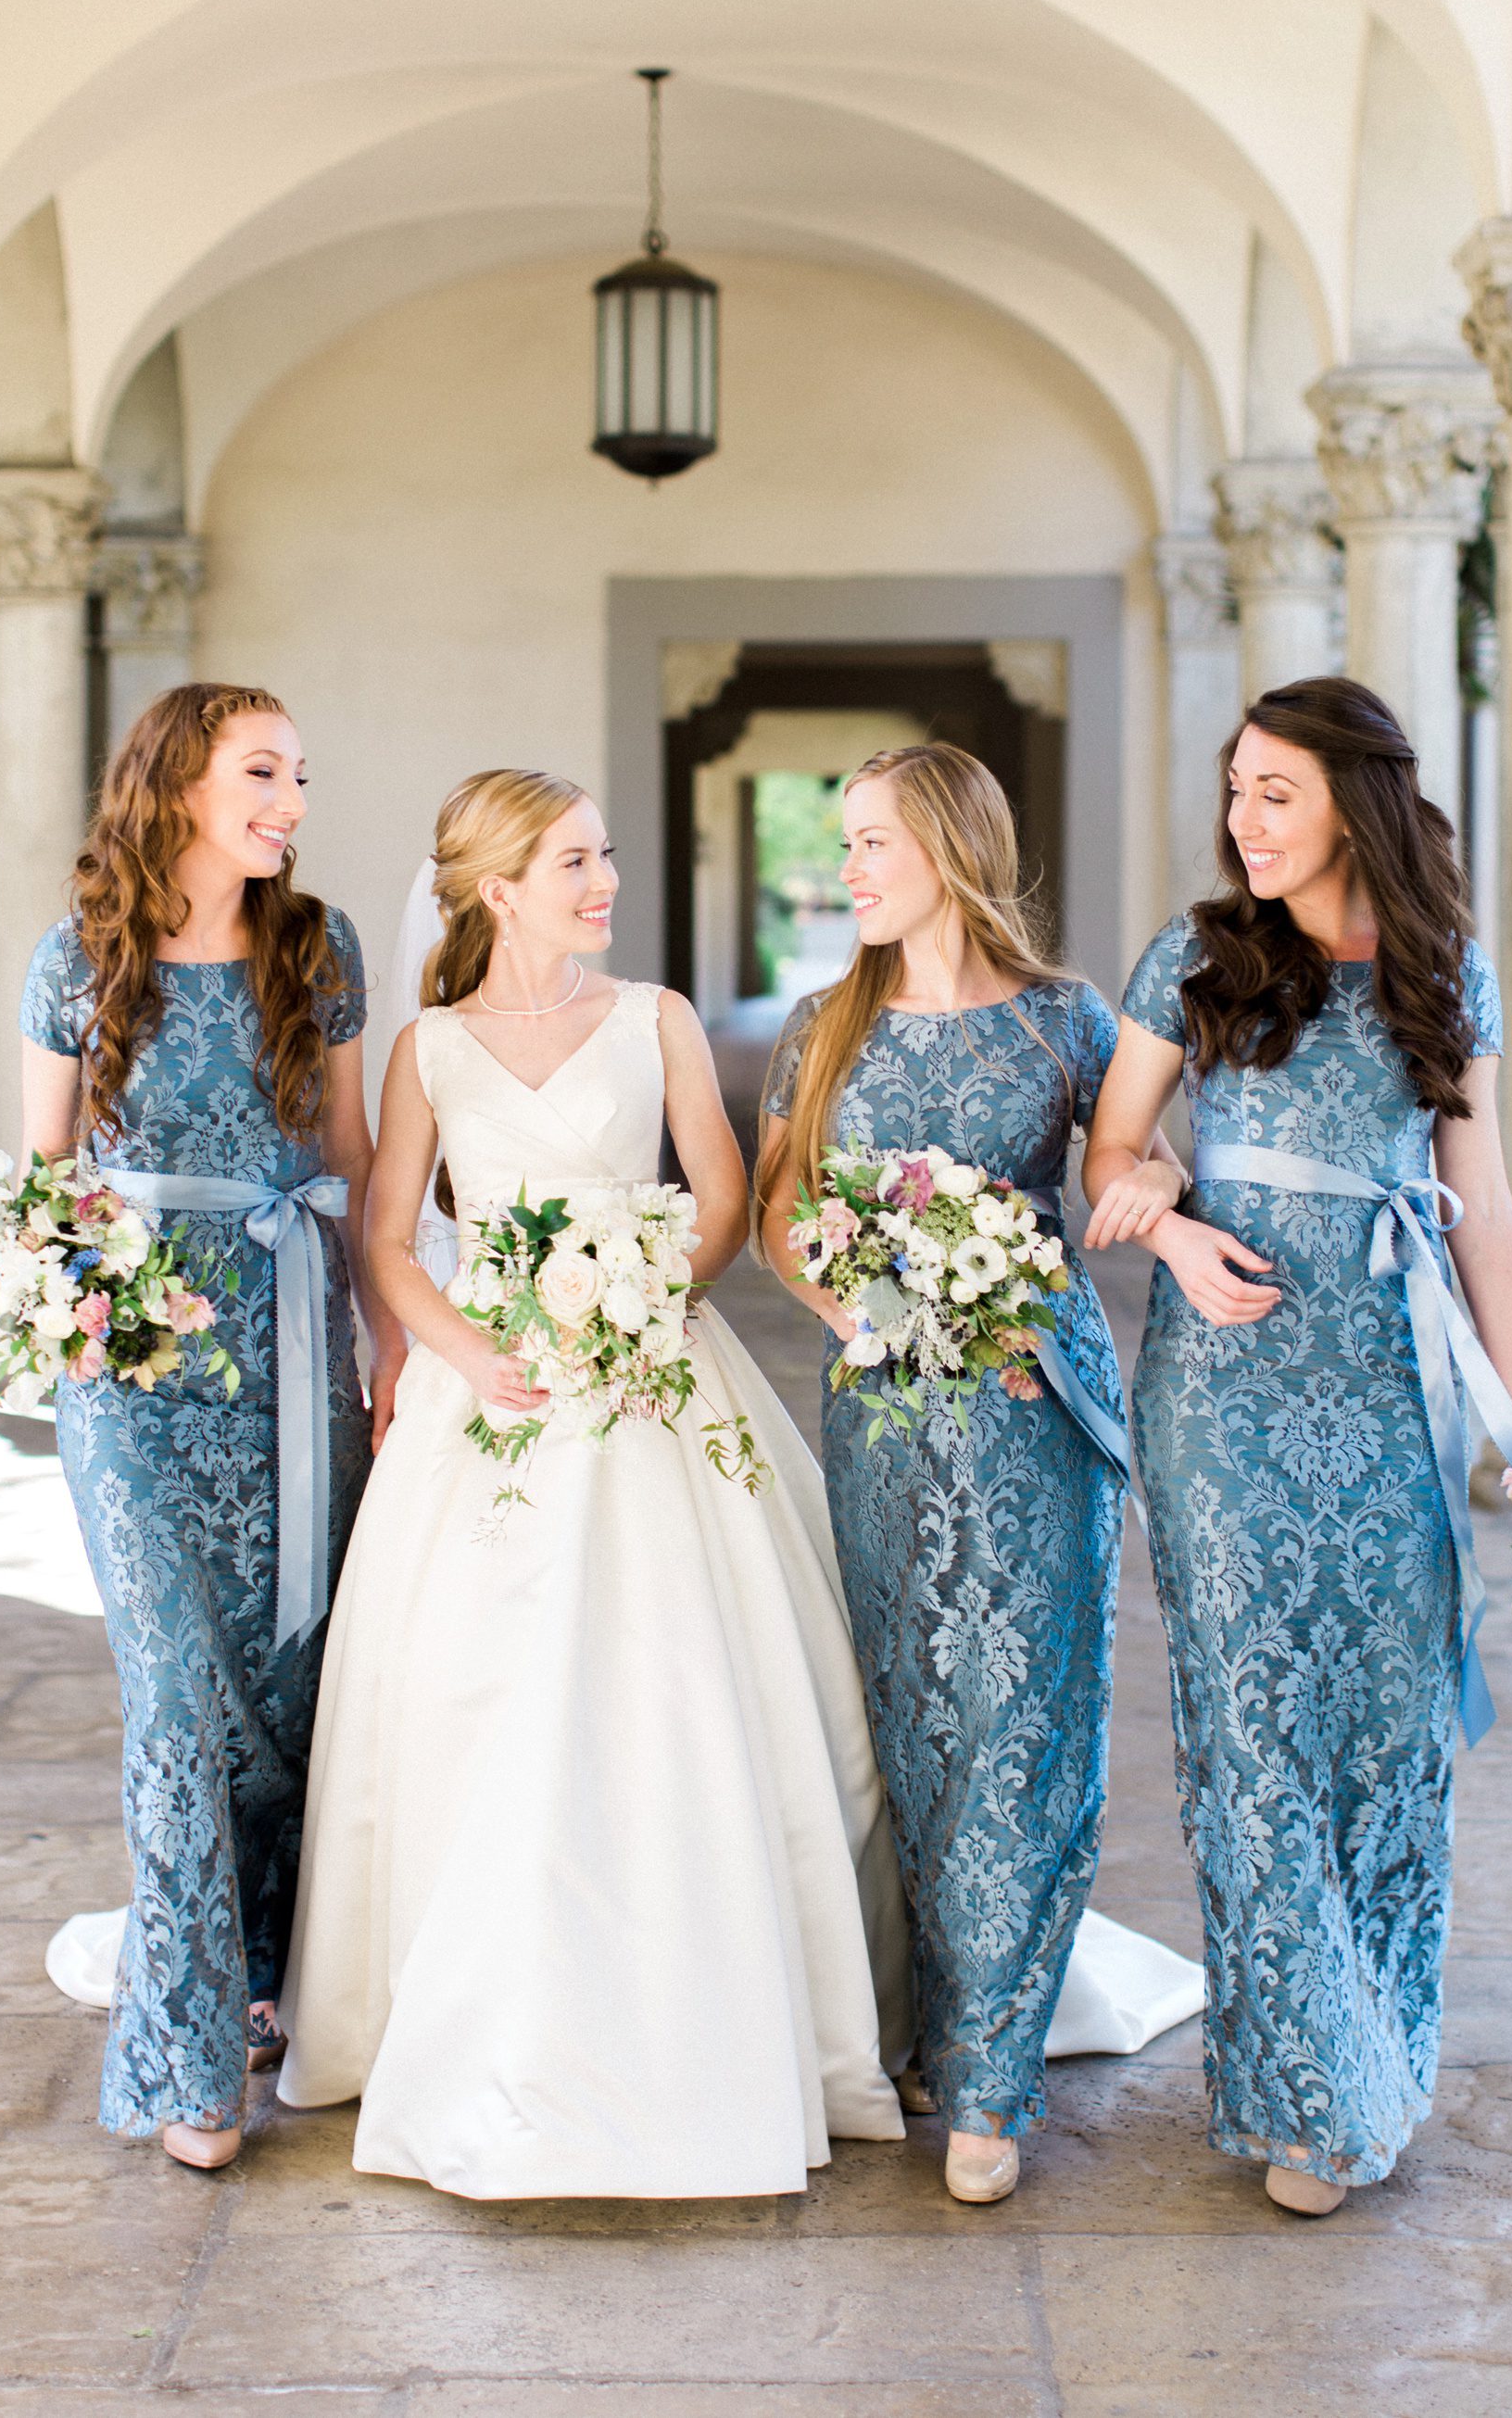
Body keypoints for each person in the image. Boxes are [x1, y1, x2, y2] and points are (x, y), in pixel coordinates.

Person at [278, 768, 910, 2199]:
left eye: (606, 854)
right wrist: (471, 1353)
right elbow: (391, 1240)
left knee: (688, 1674)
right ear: (500, 889)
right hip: (491, 1384)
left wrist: (644, 1301)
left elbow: (727, 1200)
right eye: (574, 860)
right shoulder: (431, 1047)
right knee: (464, 1686)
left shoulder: (658, 1018)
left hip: (651, 1370)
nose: (605, 879)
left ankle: (720, 1996)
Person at [1083, 675, 1512, 2216]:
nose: (1245, 818)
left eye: (1274, 791)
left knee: (1388, 1733)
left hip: (1391, 1390)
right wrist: (1169, 1227)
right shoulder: (1198, 956)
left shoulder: (1445, 971)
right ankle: (1310, 2093)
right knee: (1253, 1734)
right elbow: (1112, 1146)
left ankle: (1376, 2050)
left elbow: (1486, 1214)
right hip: (1223, 1399)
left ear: (1356, 801)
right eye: (1236, 789)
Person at [756, 744, 1190, 2206]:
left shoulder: (1069, 1020)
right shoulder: (822, 1026)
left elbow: (1138, 1158)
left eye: (871, 840)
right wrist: (883, 1315)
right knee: (914, 1716)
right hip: (886, 1412)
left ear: (947, 846)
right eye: (845, 842)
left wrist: (1157, 1186)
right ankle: (935, 2023)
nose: (849, 869)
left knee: (1029, 1717)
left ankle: (996, 2076)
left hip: (1038, 1403)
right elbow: (779, 1216)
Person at [19, 682, 400, 2170]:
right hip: (132, 1381)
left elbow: (358, 1161)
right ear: (178, 779)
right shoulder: (78, 957)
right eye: (262, 770)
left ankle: (263, 1978)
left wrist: (392, 1345)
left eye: (299, 774)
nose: (292, 800)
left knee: (294, 1684)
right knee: (178, 1698)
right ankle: (186, 2052)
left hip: (295, 1353)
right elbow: (45, 1177)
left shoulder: (320, 946)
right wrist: (62, 1308)